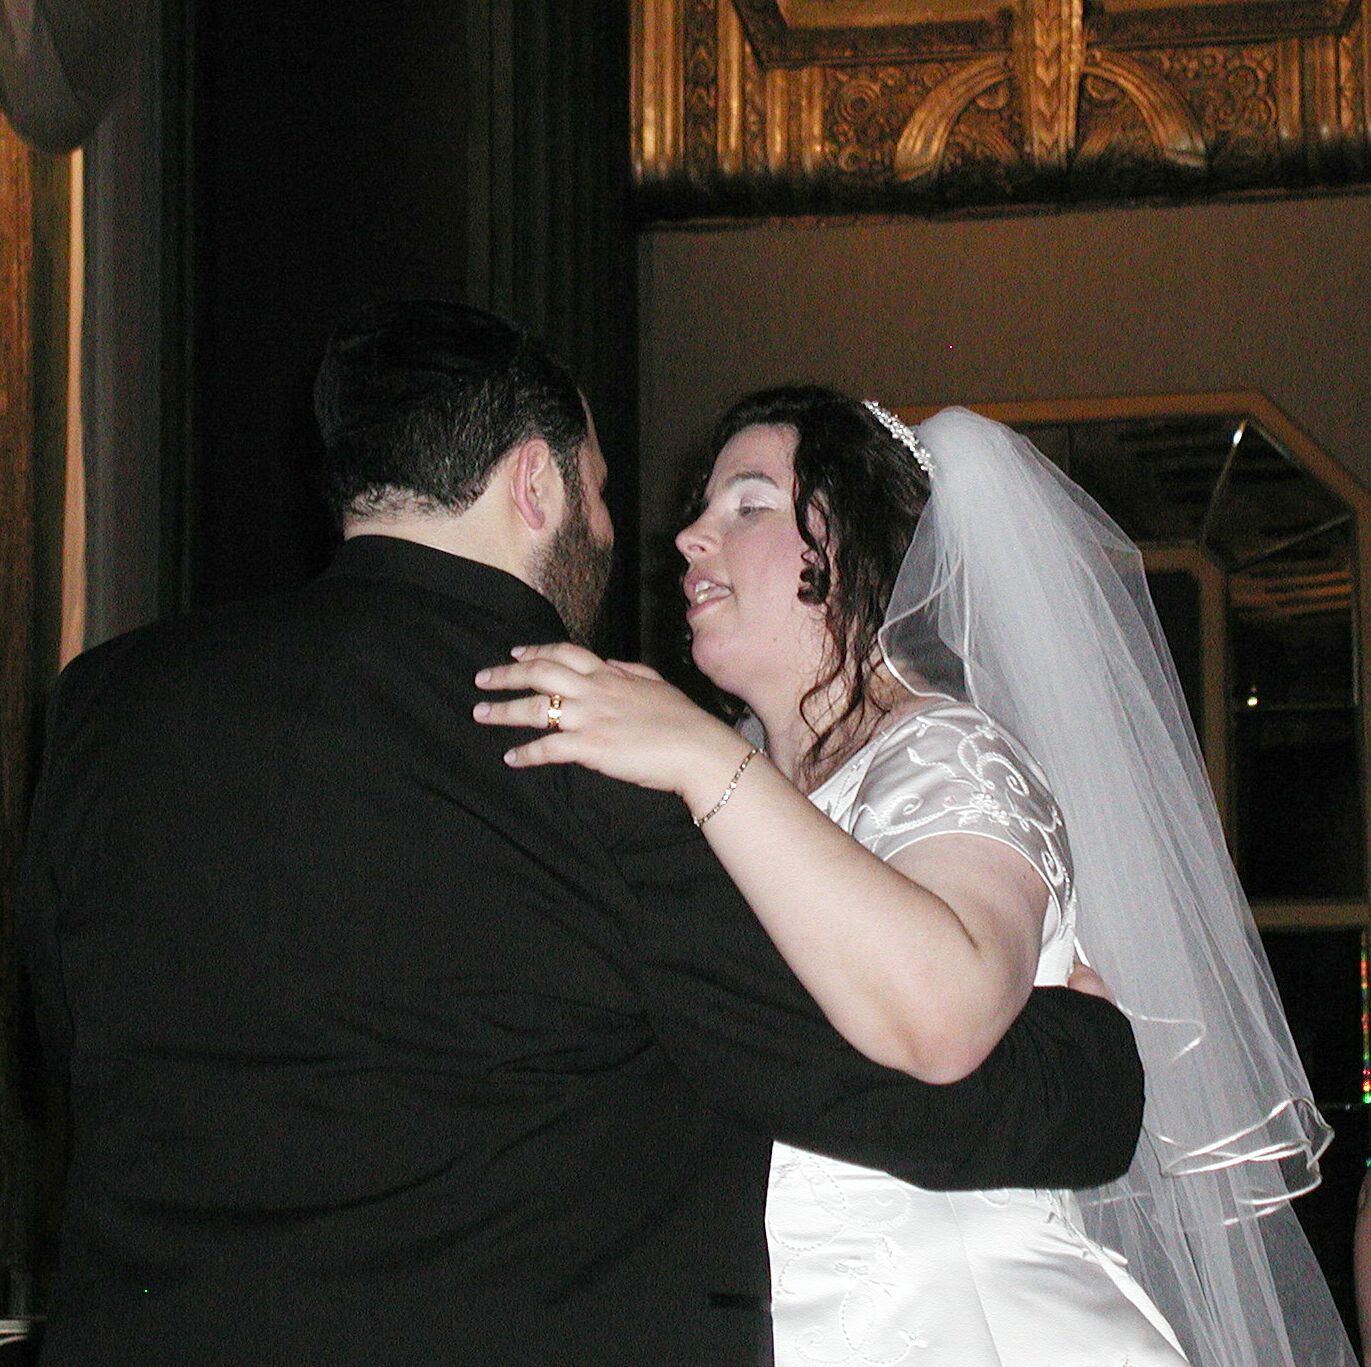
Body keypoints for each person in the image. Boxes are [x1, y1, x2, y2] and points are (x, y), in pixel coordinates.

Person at [16, 308, 1148, 1367]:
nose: (665, 535)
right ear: (536, 483)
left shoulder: (109, 704)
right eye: (603, 492)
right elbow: (856, 1066)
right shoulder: (583, 750)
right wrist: (1086, 1064)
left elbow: (62, 1029)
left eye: (743, 505)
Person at [474, 386, 1357, 1366]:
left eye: (749, 504)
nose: (688, 537)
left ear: (854, 548)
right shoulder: (724, 788)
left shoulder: (945, 754)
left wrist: (698, 754)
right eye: (701, 507)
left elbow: (945, 1011)